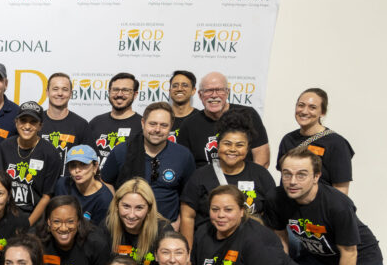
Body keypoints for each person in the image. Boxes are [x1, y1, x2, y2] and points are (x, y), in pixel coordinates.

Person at [179, 108, 275, 245]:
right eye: (227, 143)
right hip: (209, 246)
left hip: (250, 246)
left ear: (247, 149)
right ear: (218, 146)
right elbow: (187, 215)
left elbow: (272, 216)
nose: (233, 149)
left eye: (240, 145)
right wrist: (187, 251)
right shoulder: (201, 176)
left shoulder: (260, 175)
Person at [101, 102, 195, 226]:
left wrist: (179, 222)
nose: (157, 129)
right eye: (152, 124)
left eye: (164, 125)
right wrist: (117, 207)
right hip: (128, 225)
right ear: (143, 123)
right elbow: (105, 181)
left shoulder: (183, 155)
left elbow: (189, 195)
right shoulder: (122, 151)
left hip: (167, 227)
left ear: (171, 126)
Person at [177, 71, 270, 168]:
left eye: (219, 90)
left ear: (227, 92)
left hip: (243, 181)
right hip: (203, 182)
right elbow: (183, 164)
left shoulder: (248, 115)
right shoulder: (189, 124)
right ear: (200, 95)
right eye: (208, 90)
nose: (214, 95)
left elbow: (262, 160)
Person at [277, 88, 353, 195]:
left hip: (321, 207)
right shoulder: (288, 139)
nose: (304, 111)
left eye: (312, 107)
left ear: (322, 112)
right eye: (301, 105)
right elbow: (285, 178)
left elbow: (341, 190)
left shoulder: (336, 143)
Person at [1, 101, 62, 224]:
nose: (27, 126)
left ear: (40, 126)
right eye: (23, 120)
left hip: (33, 218)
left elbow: (46, 196)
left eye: (33, 122)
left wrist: (28, 224)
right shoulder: (4, 147)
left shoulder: (50, 154)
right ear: (16, 123)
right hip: (4, 215)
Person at [104, 178, 172, 265]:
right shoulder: (107, 226)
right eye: (126, 206)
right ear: (117, 205)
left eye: (139, 208)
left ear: (149, 209)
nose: (131, 215)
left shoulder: (163, 230)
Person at [41, 73, 91, 172]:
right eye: (55, 89)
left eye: (65, 89)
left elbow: (90, 160)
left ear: (71, 94)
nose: (60, 93)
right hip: (39, 185)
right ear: (47, 92)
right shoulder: (36, 121)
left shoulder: (81, 124)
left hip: (69, 186)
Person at [89, 73, 142, 166]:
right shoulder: (96, 122)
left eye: (125, 90)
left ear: (135, 94)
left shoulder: (143, 125)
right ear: (109, 92)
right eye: (115, 90)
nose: (119, 94)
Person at [53, 144, 112, 225]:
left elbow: (99, 233)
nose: (77, 170)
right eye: (73, 165)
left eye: (83, 164)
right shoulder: (62, 185)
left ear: (95, 167)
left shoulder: (104, 199)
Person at [168, 70, 198, 140]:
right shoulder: (162, 118)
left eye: (185, 85)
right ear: (170, 91)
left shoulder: (201, 119)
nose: (179, 89)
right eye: (175, 86)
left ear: (193, 90)